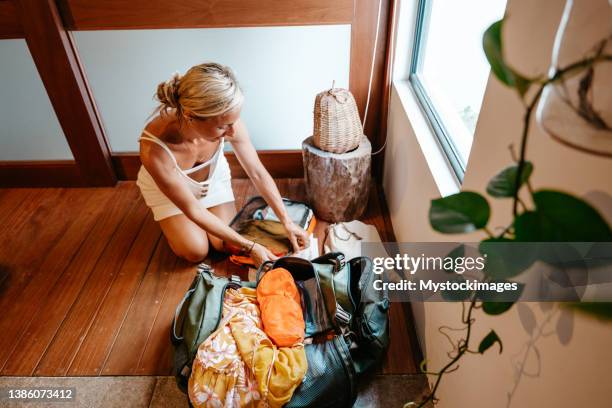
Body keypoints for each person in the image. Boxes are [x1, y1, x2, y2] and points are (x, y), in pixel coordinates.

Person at [136, 62, 309, 266]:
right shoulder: (154, 150)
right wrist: (251, 247)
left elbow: (257, 173)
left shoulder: (229, 122)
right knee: (196, 251)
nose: (232, 132)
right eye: (222, 127)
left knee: (222, 244)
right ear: (191, 117)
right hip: (169, 193)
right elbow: (194, 210)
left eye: (233, 122)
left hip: (211, 181)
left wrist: (286, 221)